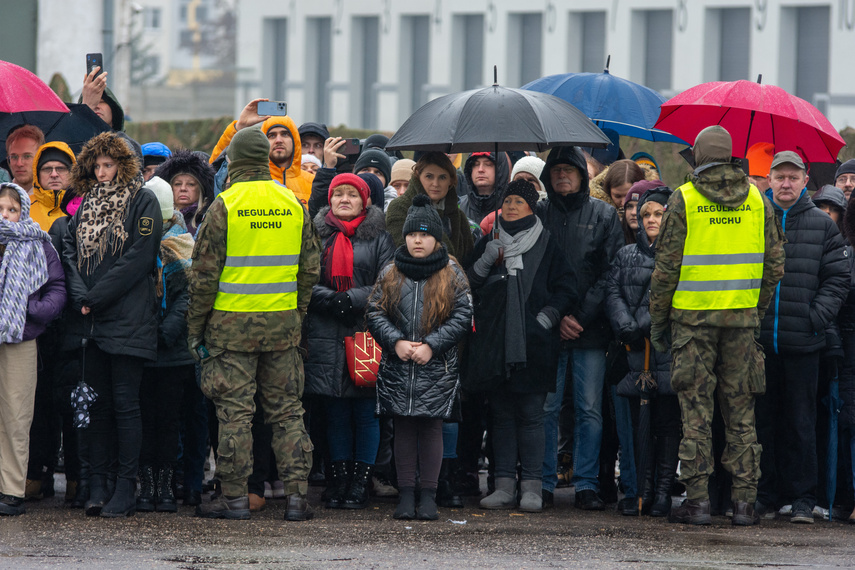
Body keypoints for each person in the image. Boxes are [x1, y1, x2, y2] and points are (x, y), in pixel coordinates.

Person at [649, 125, 785, 526]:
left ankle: (698, 503)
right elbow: (775, 267)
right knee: (742, 415)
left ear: (700, 157)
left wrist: (659, 324)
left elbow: (666, 270)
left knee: (696, 415)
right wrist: (753, 311)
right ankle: (744, 505)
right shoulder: (760, 201)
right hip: (741, 324)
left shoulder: (685, 198)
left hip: (691, 323)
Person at [187, 126, 321, 521]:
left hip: (230, 329)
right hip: (283, 326)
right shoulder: (293, 202)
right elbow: (310, 268)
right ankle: (297, 498)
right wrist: (297, 313)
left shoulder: (225, 204)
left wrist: (195, 329)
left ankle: (234, 499)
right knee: (286, 412)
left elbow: (203, 277)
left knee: (235, 415)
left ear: (234, 160)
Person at [63, 131, 162, 518]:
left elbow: (140, 256)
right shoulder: (85, 202)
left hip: (128, 318)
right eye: (97, 166)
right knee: (98, 406)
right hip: (91, 320)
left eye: (109, 165)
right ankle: (99, 484)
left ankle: (126, 486)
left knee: (125, 405)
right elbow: (70, 249)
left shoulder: (143, 200)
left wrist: (95, 296)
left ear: (125, 165)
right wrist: (79, 294)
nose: (102, 173)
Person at [465, 180, 576, 513]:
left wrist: (547, 317)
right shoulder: (489, 240)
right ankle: (502, 486)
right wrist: (485, 262)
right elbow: (466, 286)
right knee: (501, 417)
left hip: (534, 346)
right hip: (495, 345)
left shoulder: (546, 243)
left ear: (532, 207)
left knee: (531, 417)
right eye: (507, 200)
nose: (511, 206)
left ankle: (531, 486)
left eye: (519, 201)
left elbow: (567, 287)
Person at [754, 151, 848, 523]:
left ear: (805, 180)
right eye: (780, 177)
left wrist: (815, 317)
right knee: (763, 422)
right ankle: (766, 495)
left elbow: (837, 278)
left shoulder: (822, 225)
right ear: (770, 180)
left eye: (793, 177)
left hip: (804, 342)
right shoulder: (755, 219)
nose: (786, 183)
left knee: (801, 423)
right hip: (759, 343)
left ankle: (803, 498)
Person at [366, 194, 472, 521]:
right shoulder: (391, 271)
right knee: (403, 428)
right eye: (413, 234)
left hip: (435, 366)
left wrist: (431, 345)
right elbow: (374, 311)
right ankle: (405, 493)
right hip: (399, 366)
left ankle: (428, 494)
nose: (417, 240)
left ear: (436, 238)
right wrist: (395, 341)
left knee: (431, 428)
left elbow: (462, 315)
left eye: (424, 235)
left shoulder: (451, 272)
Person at [537, 146, 623, 510]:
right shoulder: (538, 212)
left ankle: (586, 484)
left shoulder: (604, 214)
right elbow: (533, 269)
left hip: (589, 329)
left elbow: (610, 271)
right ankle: (542, 482)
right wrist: (556, 315)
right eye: (555, 170)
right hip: (548, 327)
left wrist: (581, 317)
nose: (561, 176)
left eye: (568, 170)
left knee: (589, 409)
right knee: (547, 408)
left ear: (582, 175)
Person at [304, 173, 394, 510]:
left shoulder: (380, 237)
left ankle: (360, 483)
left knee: (365, 411)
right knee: (335, 410)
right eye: (338, 194)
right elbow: (304, 276)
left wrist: (352, 298)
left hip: (365, 330)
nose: (344, 199)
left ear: (365, 201)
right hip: (326, 329)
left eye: (351, 195)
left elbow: (388, 281)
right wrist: (330, 299)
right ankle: (337, 480)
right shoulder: (317, 235)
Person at [606, 187, 681, 518]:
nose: (650, 220)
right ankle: (642, 489)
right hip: (635, 349)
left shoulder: (680, 254)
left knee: (666, 422)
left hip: (666, 348)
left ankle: (663, 490)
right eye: (646, 214)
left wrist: (645, 323)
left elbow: (673, 295)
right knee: (639, 422)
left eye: (658, 214)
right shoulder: (625, 255)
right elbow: (612, 290)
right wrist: (625, 324)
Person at [0, 183, 66, 516]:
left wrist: (33, 310)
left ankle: (11, 490)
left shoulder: (38, 244)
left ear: (22, 212)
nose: (5, 216)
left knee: (16, 413)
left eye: (12, 209)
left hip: (20, 337)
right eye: (0, 209)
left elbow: (56, 287)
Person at [133, 175, 196, 513]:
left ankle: (166, 484)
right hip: (142, 349)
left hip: (172, 352)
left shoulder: (182, 242)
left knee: (169, 421)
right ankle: (148, 484)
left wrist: (164, 331)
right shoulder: (134, 243)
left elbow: (188, 296)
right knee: (144, 419)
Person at [209, 98, 313, 206]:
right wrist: (239, 127)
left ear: (295, 139)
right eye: (272, 135)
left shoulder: (312, 181)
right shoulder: (250, 178)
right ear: (263, 141)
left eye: (285, 134)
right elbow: (215, 169)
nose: (278, 140)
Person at [386, 152, 474, 261]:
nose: (435, 183)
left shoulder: (458, 216)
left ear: (450, 181)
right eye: (429, 176)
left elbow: (469, 258)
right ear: (418, 176)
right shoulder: (400, 207)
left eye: (442, 177)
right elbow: (402, 251)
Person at [308, 143, 393, 218]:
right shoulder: (333, 217)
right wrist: (328, 167)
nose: (371, 175)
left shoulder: (391, 211)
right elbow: (318, 205)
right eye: (365, 170)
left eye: (378, 172)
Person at [154, 149, 216, 238]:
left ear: (201, 189)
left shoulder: (209, 221)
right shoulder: (157, 220)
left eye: (191, 184)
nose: (183, 189)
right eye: (177, 184)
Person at [29, 141, 76, 231]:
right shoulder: (23, 207)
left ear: (72, 173)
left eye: (60, 169)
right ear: (37, 175)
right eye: (47, 169)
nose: (54, 174)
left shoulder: (83, 206)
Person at [459, 152, 510, 224]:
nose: (480, 169)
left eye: (488, 164)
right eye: (476, 164)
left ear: (500, 169)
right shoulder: (458, 208)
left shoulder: (511, 209)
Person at [80, 66, 125, 131]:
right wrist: (86, 109)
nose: (95, 106)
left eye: (101, 102)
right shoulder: (68, 140)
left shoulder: (126, 141)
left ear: (113, 109)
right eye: (91, 102)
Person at [5, 125, 45, 193]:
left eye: (27, 156)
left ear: (41, 158)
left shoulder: (55, 199)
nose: (19, 163)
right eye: (14, 157)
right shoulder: (3, 195)